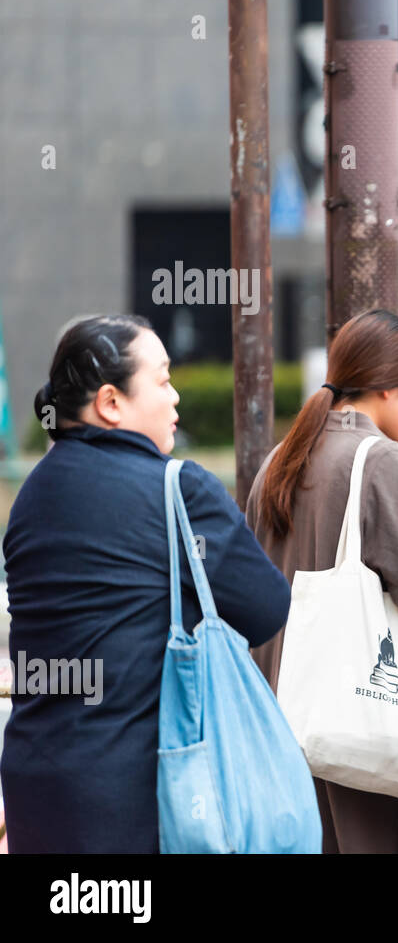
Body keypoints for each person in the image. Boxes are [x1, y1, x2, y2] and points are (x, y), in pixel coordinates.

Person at [1, 315, 290, 853]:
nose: (175, 396)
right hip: (140, 795)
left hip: (34, 786)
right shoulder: (178, 491)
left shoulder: (32, 496)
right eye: (161, 380)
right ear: (111, 402)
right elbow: (267, 608)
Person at [246, 308, 398, 854]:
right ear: (386, 388)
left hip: (289, 718)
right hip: (369, 721)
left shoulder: (277, 464)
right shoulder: (378, 460)